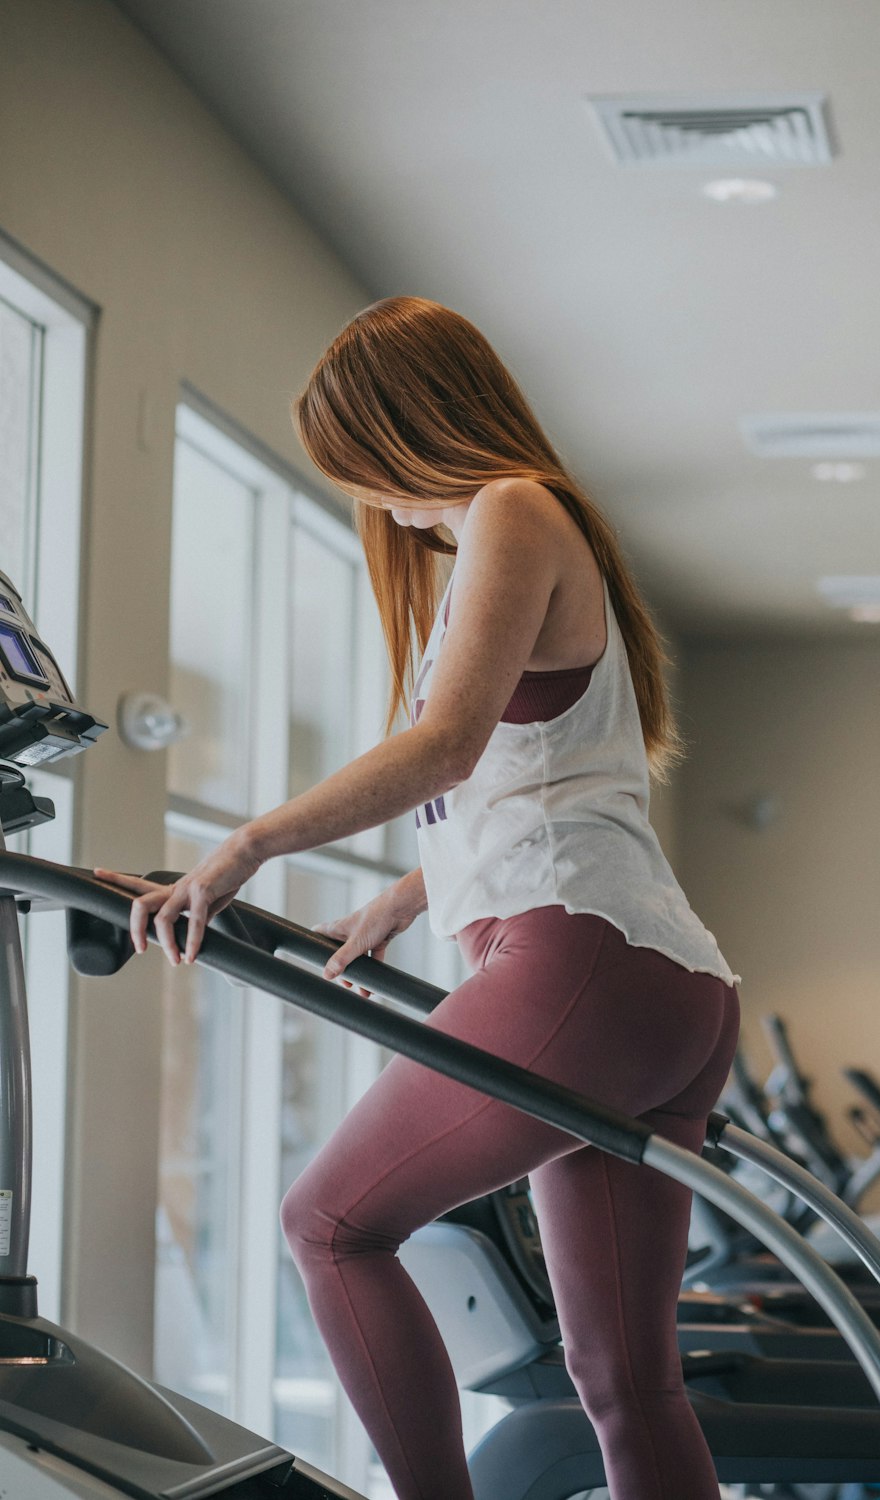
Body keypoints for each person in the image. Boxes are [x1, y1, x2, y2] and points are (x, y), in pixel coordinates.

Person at [98, 296, 740, 1500]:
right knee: (624, 1383)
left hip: (579, 968)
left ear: (417, 428)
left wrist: (249, 845)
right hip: (673, 987)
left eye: (370, 467)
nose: (380, 501)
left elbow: (447, 746)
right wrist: (404, 897)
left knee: (329, 1225)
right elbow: (529, 781)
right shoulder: (545, 527)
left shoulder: (508, 507)